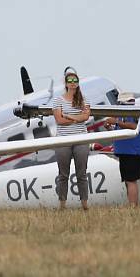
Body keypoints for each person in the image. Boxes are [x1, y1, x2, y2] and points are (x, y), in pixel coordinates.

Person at [52, 68, 91, 210]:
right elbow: (59, 120)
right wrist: (76, 119)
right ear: (66, 83)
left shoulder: (84, 99)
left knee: (82, 174)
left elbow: (85, 117)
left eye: (75, 81)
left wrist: (69, 117)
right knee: (63, 174)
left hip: (81, 139)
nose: (73, 83)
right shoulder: (58, 100)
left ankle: (84, 204)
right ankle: (62, 204)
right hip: (63, 140)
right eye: (70, 81)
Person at [105, 92, 140, 207]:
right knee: (128, 181)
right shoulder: (124, 113)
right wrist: (110, 127)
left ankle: (133, 206)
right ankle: (132, 204)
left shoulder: (134, 112)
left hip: (133, 151)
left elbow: (134, 127)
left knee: (131, 180)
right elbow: (120, 129)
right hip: (126, 151)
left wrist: (117, 122)